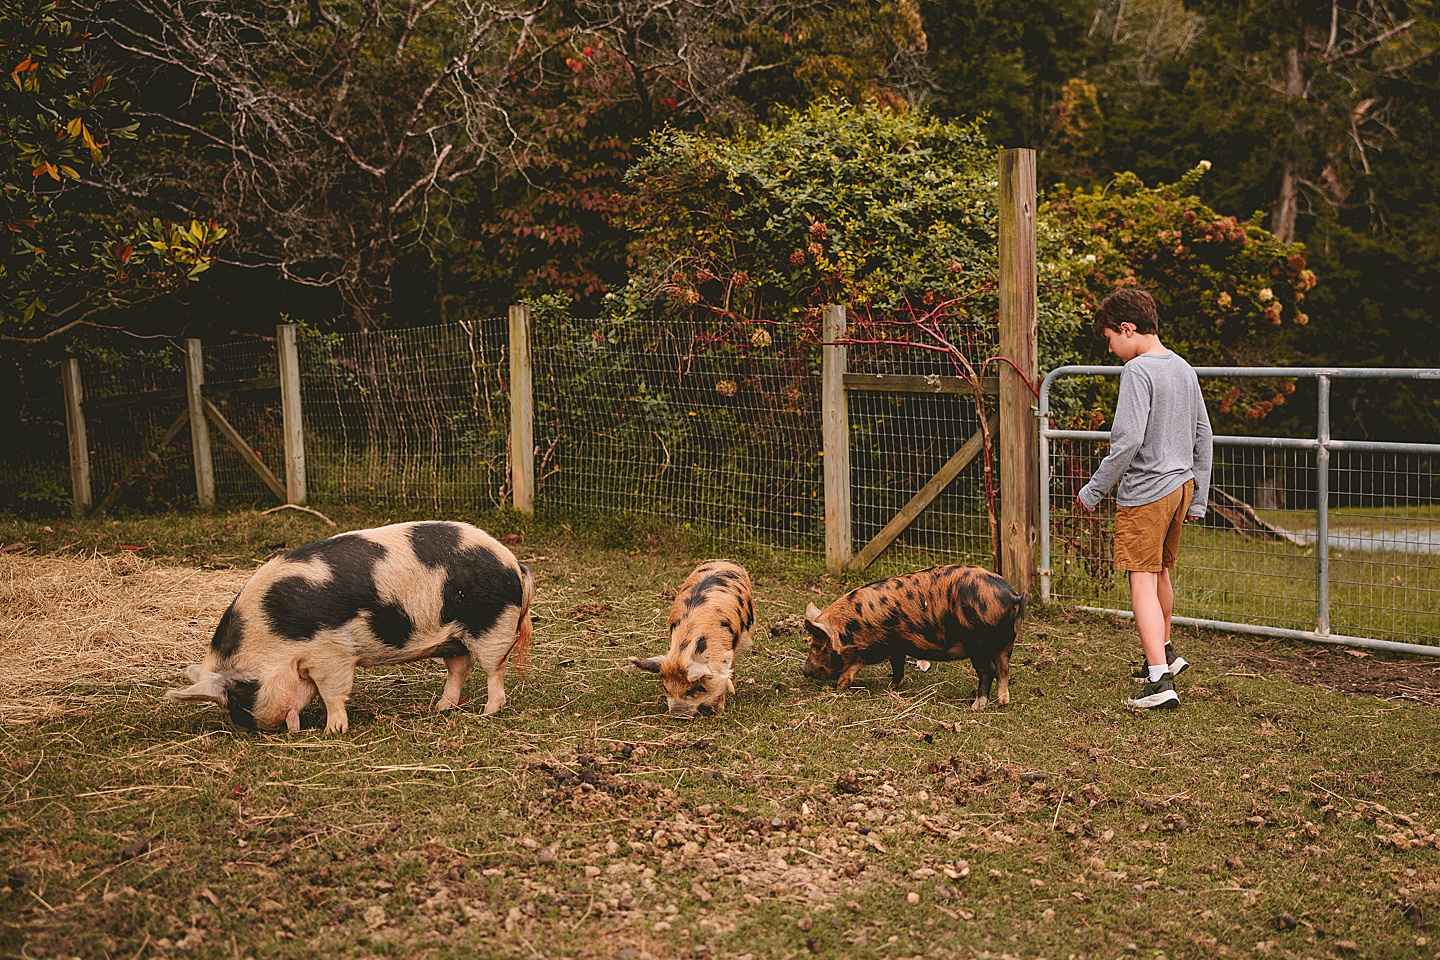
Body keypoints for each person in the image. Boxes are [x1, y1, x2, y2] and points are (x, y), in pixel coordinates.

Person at [1075, 288, 1213, 710]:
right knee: (1159, 573)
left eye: (1110, 339)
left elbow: (1128, 440)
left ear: (1127, 328)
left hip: (1148, 491)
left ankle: (1158, 682)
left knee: (1139, 577)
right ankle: (1165, 654)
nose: (1111, 348)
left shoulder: (1137, 372)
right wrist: (1198, 498)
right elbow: (1204, 435)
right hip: (1180, 486)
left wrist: (1094, 490)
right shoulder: (1184, 368)